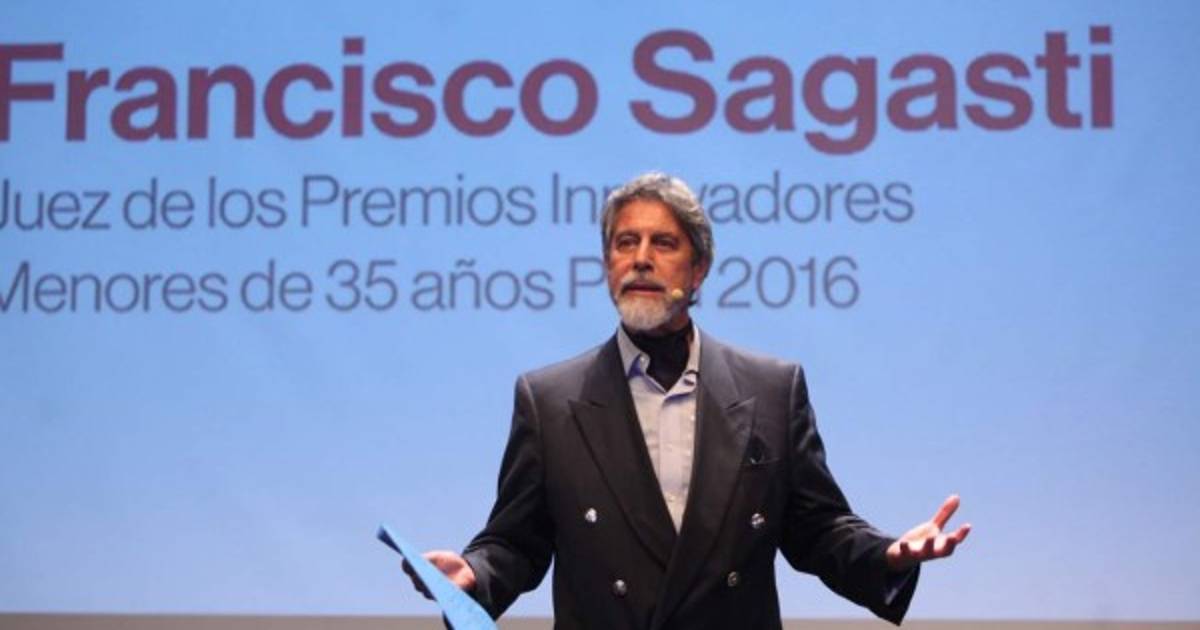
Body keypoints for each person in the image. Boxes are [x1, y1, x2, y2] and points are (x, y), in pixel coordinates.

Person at [405, 172, 970, 629]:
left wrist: (886, 553)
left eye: (663, 243)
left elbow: (818, 529)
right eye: (625, 243)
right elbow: (516, 541)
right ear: (607, 267)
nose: (640, 258)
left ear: (698, 270)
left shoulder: (772, 390)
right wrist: (473, 573)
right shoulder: (550, 400)